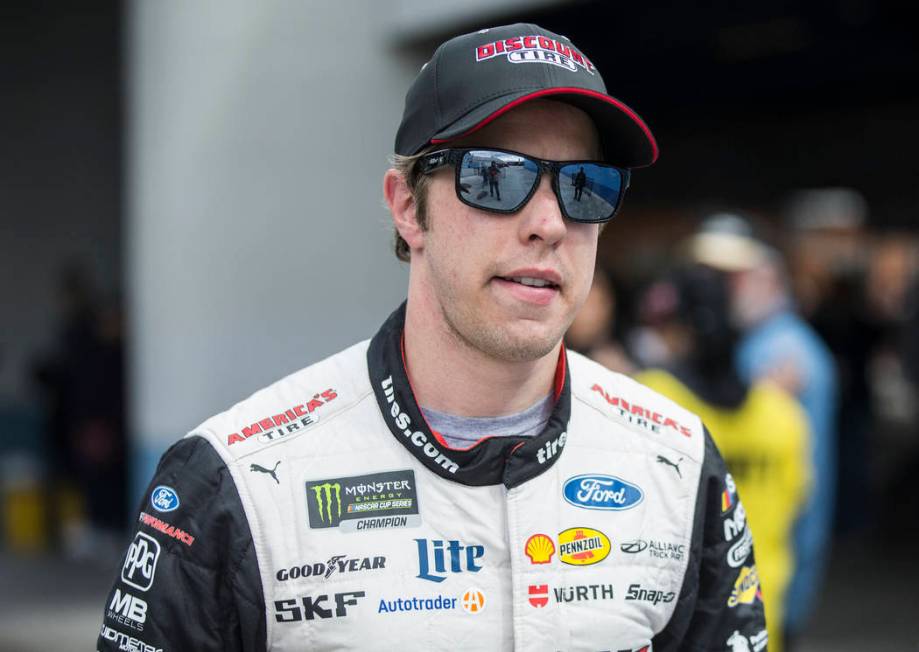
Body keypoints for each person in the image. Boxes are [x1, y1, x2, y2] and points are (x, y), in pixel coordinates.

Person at [97, 23, 766, 651]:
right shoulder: (233, 482)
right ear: (406, 206)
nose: (548, 223)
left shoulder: (674, 461)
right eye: (495, 177)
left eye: (584, 187)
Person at [635, 265, 811, 652]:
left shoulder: (648, 406)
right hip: (760, 617)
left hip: (672, 624)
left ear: (677, 327)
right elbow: (798, 502)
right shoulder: (784, 415)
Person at [685, 214, 837, 647]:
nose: (717, 290)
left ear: (765, 278)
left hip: (761, 574)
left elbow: (796, 490)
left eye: (729, 277)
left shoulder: (779, 354)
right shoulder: (769, 344)